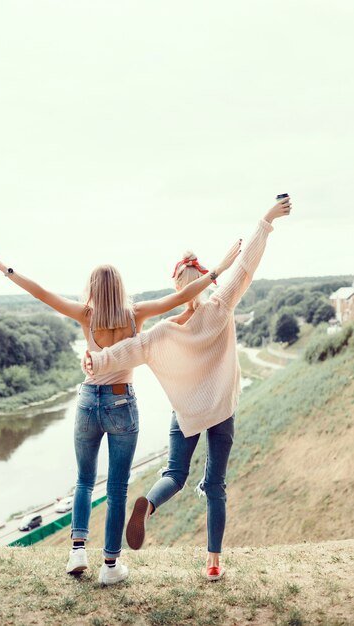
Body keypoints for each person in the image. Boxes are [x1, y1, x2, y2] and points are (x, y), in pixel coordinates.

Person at [0, 238, 241, 584]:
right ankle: (111, 566)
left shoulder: (85, 315)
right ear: (120, 288)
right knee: (117, 487)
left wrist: (5, 269)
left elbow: (42, 293)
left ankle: (76, 550)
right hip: (122, 403)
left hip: (89, 401)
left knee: (84, 481)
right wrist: (218, 271)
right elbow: (178, 299)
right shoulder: (136, 314)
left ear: (91, 289)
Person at [83, 197, 292, 580]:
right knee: (215, 485)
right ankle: (213, 564)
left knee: (175, 473)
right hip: (222, 411)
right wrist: (265, 221)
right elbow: (246, 266)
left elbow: (133, 348)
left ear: (177, 287)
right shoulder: (221, 305)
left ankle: (148, 505)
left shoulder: (166, 332)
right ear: (204, 279)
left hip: (187, 414)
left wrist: (98, 360)